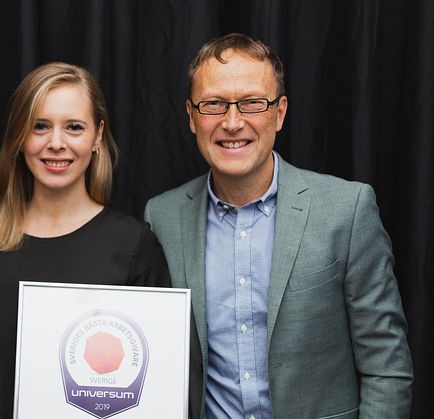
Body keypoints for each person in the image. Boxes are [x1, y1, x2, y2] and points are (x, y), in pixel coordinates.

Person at [145, 33, 413, 419]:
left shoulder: (346, 210)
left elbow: (386, 364)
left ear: (280, 112)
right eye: (214, 104)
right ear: (191, 116)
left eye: (253, 103)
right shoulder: (162, 217)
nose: (232, 122)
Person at [0, 62, 171, 418]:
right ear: (20, 136)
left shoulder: (134, 244)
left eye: (74, 127)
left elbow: (155, 381)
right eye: (40, 126)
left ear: (97, 136)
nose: (56, 143)